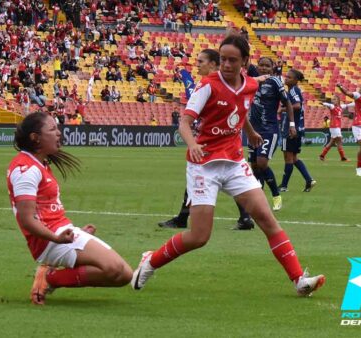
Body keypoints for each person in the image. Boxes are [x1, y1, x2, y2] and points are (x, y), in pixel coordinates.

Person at [135, 35, 325, 297]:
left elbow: (241, 109)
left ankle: (299, 280)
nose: (225, 64)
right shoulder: (207, 86)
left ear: (244, 61)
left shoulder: (248, 84)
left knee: (267, 219)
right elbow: (184, 122)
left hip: (234, 163)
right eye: (223, 59)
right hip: (204, 165)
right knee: (200, 236)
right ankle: (150, 261)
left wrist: (251, 131)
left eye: (232, 60)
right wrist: (192, 144)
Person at [7, 112, 133, 305]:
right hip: (48, 240)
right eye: (52, 129)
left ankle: (50, 276)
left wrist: (76, 231)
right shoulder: (25, 169)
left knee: (124, 275)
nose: (58, 133)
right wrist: (56, 238)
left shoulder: (39, 163)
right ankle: (49, 278)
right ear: (35, 138)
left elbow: (48, 210)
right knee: (114, 270)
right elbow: (27, 219)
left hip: (60, 232)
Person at [158, 49, 253, 230]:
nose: (197, 64)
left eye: (201, 61)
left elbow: (239, 109)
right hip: (212, 139)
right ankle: (244, 217)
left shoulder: (220, 84)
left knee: (229, 177)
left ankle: (244, 217)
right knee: (206, 178)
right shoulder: (208, 84)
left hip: (221, 141)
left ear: (212, 64)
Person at [247, 56, 294, 213]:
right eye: (261, 65)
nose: (264, 68)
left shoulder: (275, 82)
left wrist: (292, 124)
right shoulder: (253, 80)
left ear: (273, 67)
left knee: (262, 163)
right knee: (254, 166)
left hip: (269, 129)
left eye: (267, 66)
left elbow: (287, 102)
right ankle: (259, 199)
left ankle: (276, 195)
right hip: (253, 129)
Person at [278, 69, 316, 192]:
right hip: (297, 128)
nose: (286, 78)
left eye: (289, 77)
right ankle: (309, 180)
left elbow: (297, 105)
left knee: (288, 158)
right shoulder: (293, 90)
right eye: (286, 76)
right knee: (294, 158)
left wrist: (281, 109)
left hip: (290, 129)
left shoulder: (294, 90)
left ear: (295, 80)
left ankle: (283, 186)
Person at [319, 96, 353, 161]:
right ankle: (343, 157)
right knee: (339, 140)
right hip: (334, 126)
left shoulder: (341, 107)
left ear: (338, 100)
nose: (333, 100)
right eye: (332, 99)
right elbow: (328, 104)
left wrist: (357, 102)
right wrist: (323, 103)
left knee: (332, 142)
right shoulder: (332, 106)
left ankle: (322, 155)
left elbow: (348, 105)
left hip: (336, 127)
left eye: (334, 99)